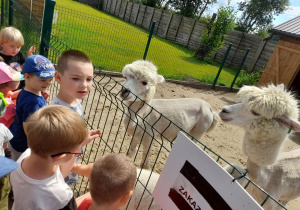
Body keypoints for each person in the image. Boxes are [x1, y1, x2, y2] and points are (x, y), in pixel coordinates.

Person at [10, 105, 89, 210]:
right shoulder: (61, 196)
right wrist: (90, 195)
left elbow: (56, 174)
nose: (79, 151)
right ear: (59, 157)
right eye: (77, 151)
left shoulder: (24, 157)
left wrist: (74, 149)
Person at [49, 49, 101, 187]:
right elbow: (55, 151)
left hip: (72, 159)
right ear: (59, 78)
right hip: (58, 170)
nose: (84, 85)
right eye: (76, 78)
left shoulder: (76, 100)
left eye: (89, 79)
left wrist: (81, 136)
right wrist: (81, 143)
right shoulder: (58, 114)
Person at [8, 54, 55, 161]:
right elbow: (29, 130)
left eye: (50, 79)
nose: (48, 83)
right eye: (43, 80)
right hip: (23, 146)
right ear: (27, 77)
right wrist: (37, 150)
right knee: (17, 171)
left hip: (15, 136)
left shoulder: (28, 91)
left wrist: (43, 102)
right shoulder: (32, 103)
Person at [0, 62, 24, 128]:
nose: (18, 81)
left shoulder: (3, 93)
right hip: (7, 134)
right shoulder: (6, 104)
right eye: (15, 79)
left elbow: (13, 94)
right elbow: (17, 120)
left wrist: (29, 89)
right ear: (4, 84)